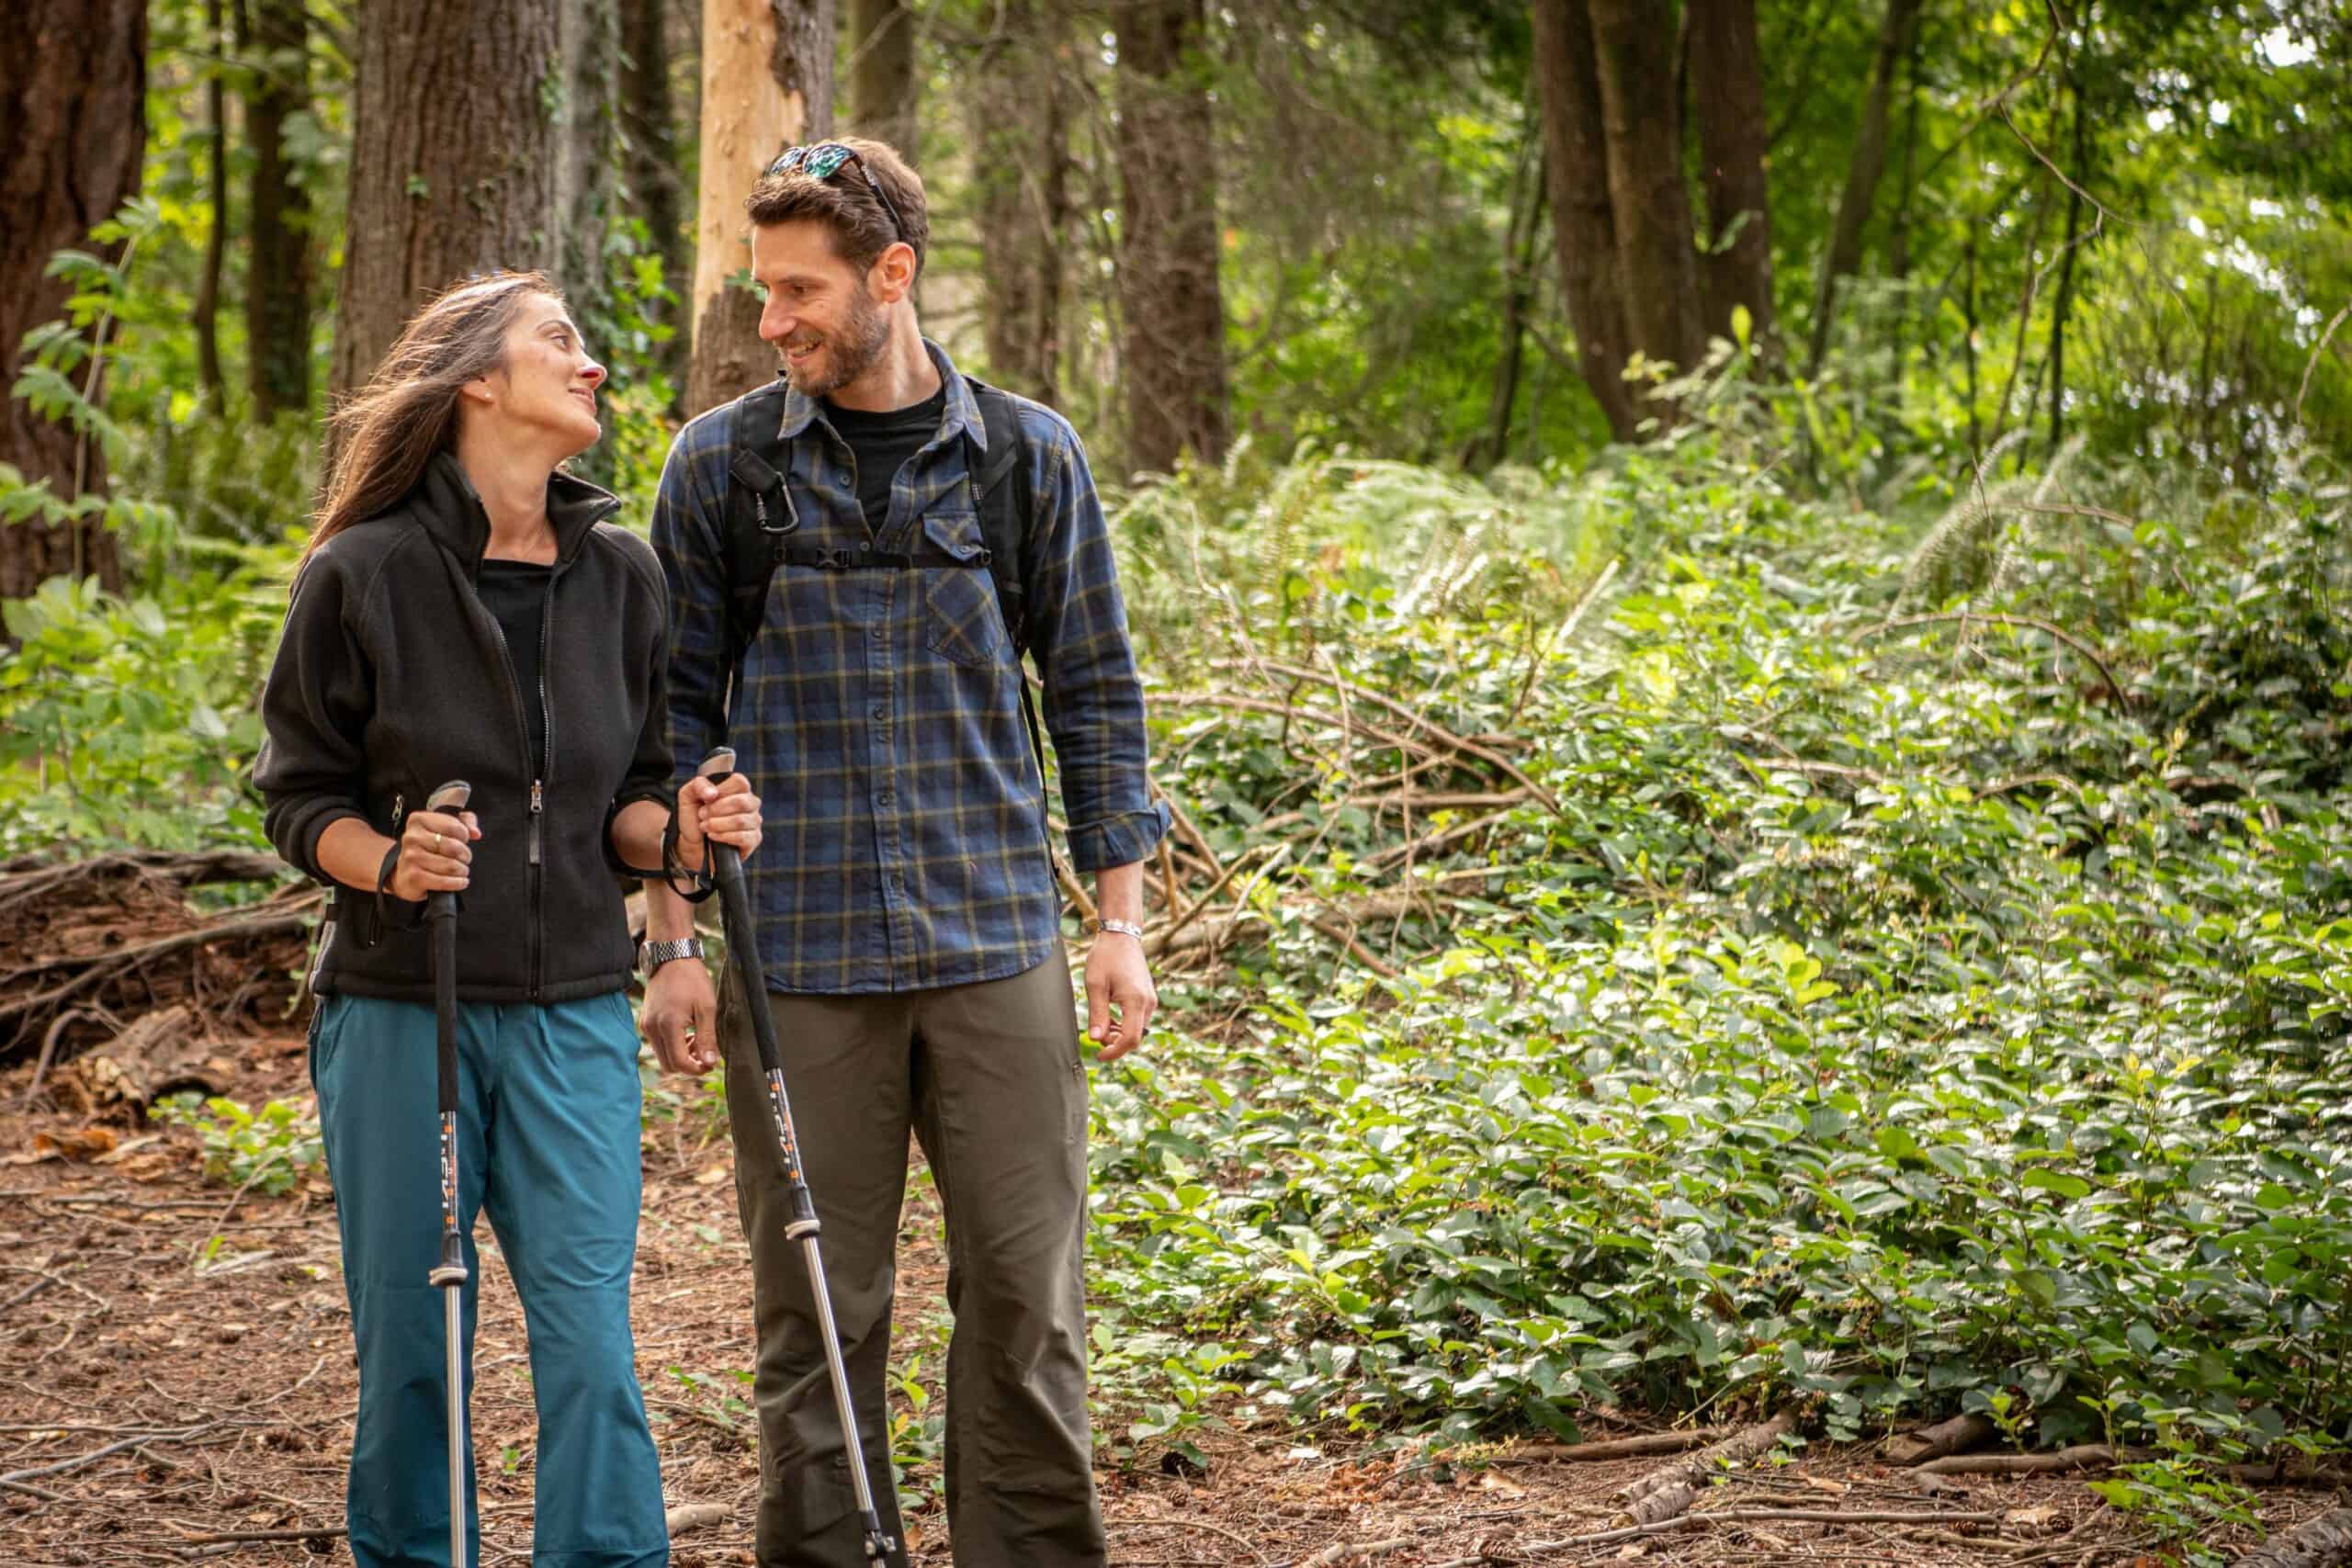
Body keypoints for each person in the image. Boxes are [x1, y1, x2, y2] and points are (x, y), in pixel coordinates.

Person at [639, 137, 1168, 1567]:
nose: (773, 321)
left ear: (893, 275)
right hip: (794, 956)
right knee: (818, 1310)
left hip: (996, 942)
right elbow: (669, 722)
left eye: (801, 289)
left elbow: (1098, 691)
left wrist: (1116, 923)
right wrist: (674, 943)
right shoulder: (720, 468)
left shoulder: (1025, 456)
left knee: (1025, 1298)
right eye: (762, 293)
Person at [254, 271, 762, 1568]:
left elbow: (631, 804)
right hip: (397, 1018)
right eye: (561, 344)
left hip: (574, 1020)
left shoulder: (624, 577)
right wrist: (393, 861)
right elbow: (300, 797)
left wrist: (689, 834)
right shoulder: (358, 576)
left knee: (590, 1345)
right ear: (479, 379)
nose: (590, 367)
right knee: (416, 1348)